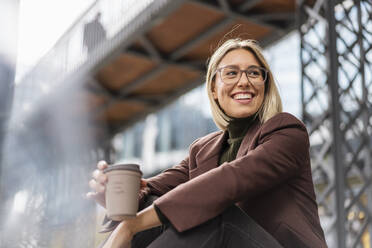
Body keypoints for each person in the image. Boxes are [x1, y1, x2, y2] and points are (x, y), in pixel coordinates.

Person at [87, 38, 328, 248]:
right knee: (155, 206)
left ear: (265, 86)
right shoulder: (202, 150)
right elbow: (152, 192)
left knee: (215, 214)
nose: (244, 81)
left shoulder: (286, 131)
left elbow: (230, 180)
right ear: (213, 88)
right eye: (231, 73)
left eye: (254, 73)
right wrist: (114, 193)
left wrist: (131, 226)